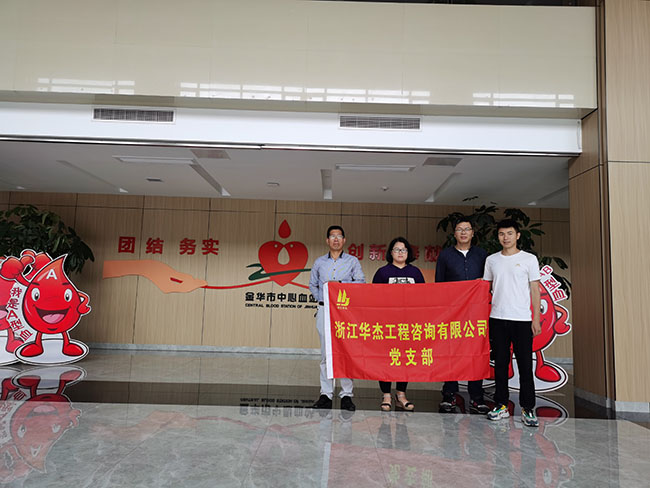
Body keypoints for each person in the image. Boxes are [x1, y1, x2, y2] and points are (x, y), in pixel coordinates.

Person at [483, 219, 541, 427]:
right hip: (497, 318)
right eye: (501, 234)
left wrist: (536, 319)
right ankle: (501, 405)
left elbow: (535, 290)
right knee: (500, 364)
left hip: (522, 320)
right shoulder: (492, 260)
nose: (505, 237)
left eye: (509, 233)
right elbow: (485, 288)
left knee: (525, 365)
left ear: (517, 235)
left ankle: (528, 408)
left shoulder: (529, 259)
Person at [435, 217, 489, 414]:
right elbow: (439, 285)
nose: (463, 233)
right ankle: (449, 395)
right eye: (459, 229)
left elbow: (488, 282)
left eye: (467, 229)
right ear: (454, 234)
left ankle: (477, 397)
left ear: (473, 233)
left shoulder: (482, 255)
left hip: (477, 314)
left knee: (476, 353)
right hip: (452, 314)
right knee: (451, 353)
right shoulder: (445, 256)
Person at [309, 225, 365, 411]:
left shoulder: (352, 261)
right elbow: (313, 285)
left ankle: (346, 395)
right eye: (332, 236)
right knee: (326, 353)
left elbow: (360, 282)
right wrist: (323, 299)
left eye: (339, 236)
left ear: (344, 240)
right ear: (327, 240)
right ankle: (326, 394)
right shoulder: (319, 262)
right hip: (324, 310)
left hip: (344, 311)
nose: (335, 239)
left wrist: (340, 285)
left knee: (345, 352)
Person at [372, 237, 424, 411]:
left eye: (404, 250)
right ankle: (386, 394)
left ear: (408, 253)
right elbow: (373, 298)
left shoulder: (415, 273)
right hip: (387, 324)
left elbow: (424, 297)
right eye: (397, 249)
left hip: (409, 325)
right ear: (391, 252)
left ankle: (401, 394)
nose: (400, 253)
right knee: (386, 358)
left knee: (405, 358)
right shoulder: (382, 272)